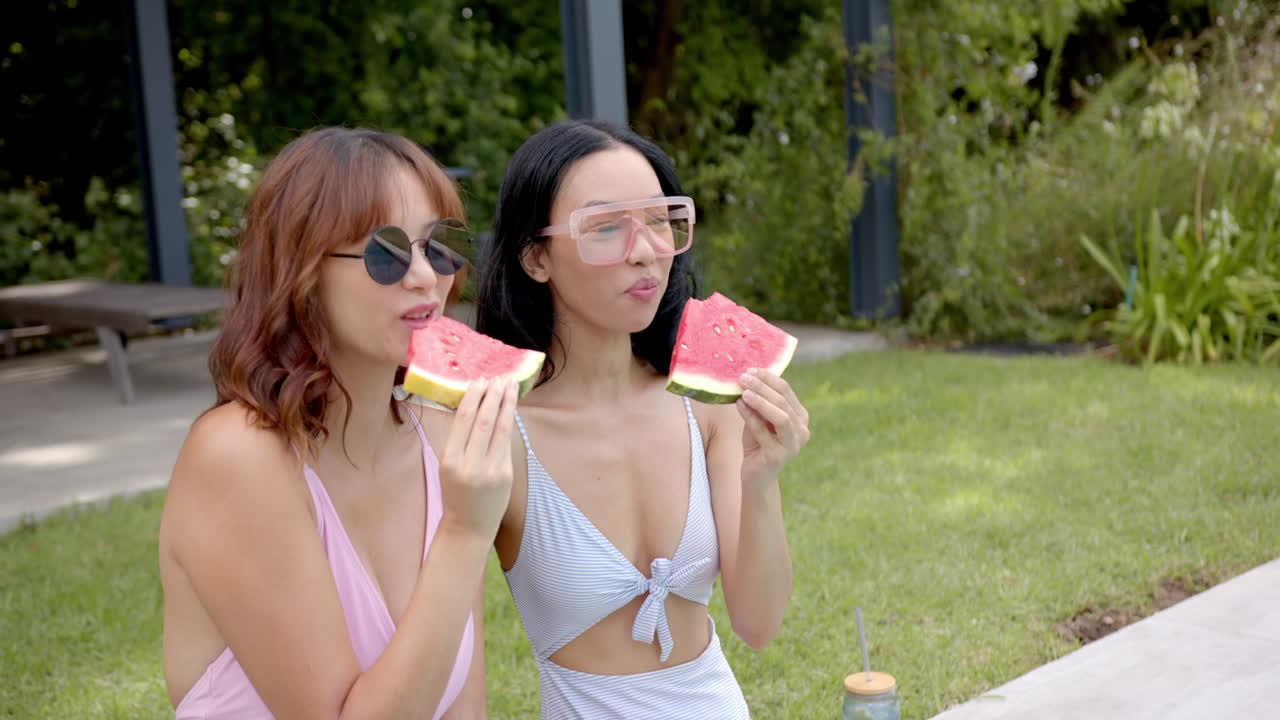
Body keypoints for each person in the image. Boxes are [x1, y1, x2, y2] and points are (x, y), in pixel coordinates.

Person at [158, 126, 517, 720]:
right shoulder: (238, 458)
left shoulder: (441, 435)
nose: (426, 277)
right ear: (301, 272)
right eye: (386, 253)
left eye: (441, 245)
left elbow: (463, 708)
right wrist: (464, 532)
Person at [474, 119, 812, 718]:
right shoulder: (500, 437)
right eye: (606, 227)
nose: (646, 250)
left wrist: (762, 479)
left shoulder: (705, 413)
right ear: (535, 258)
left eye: (660, 221)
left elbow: (758, 625)